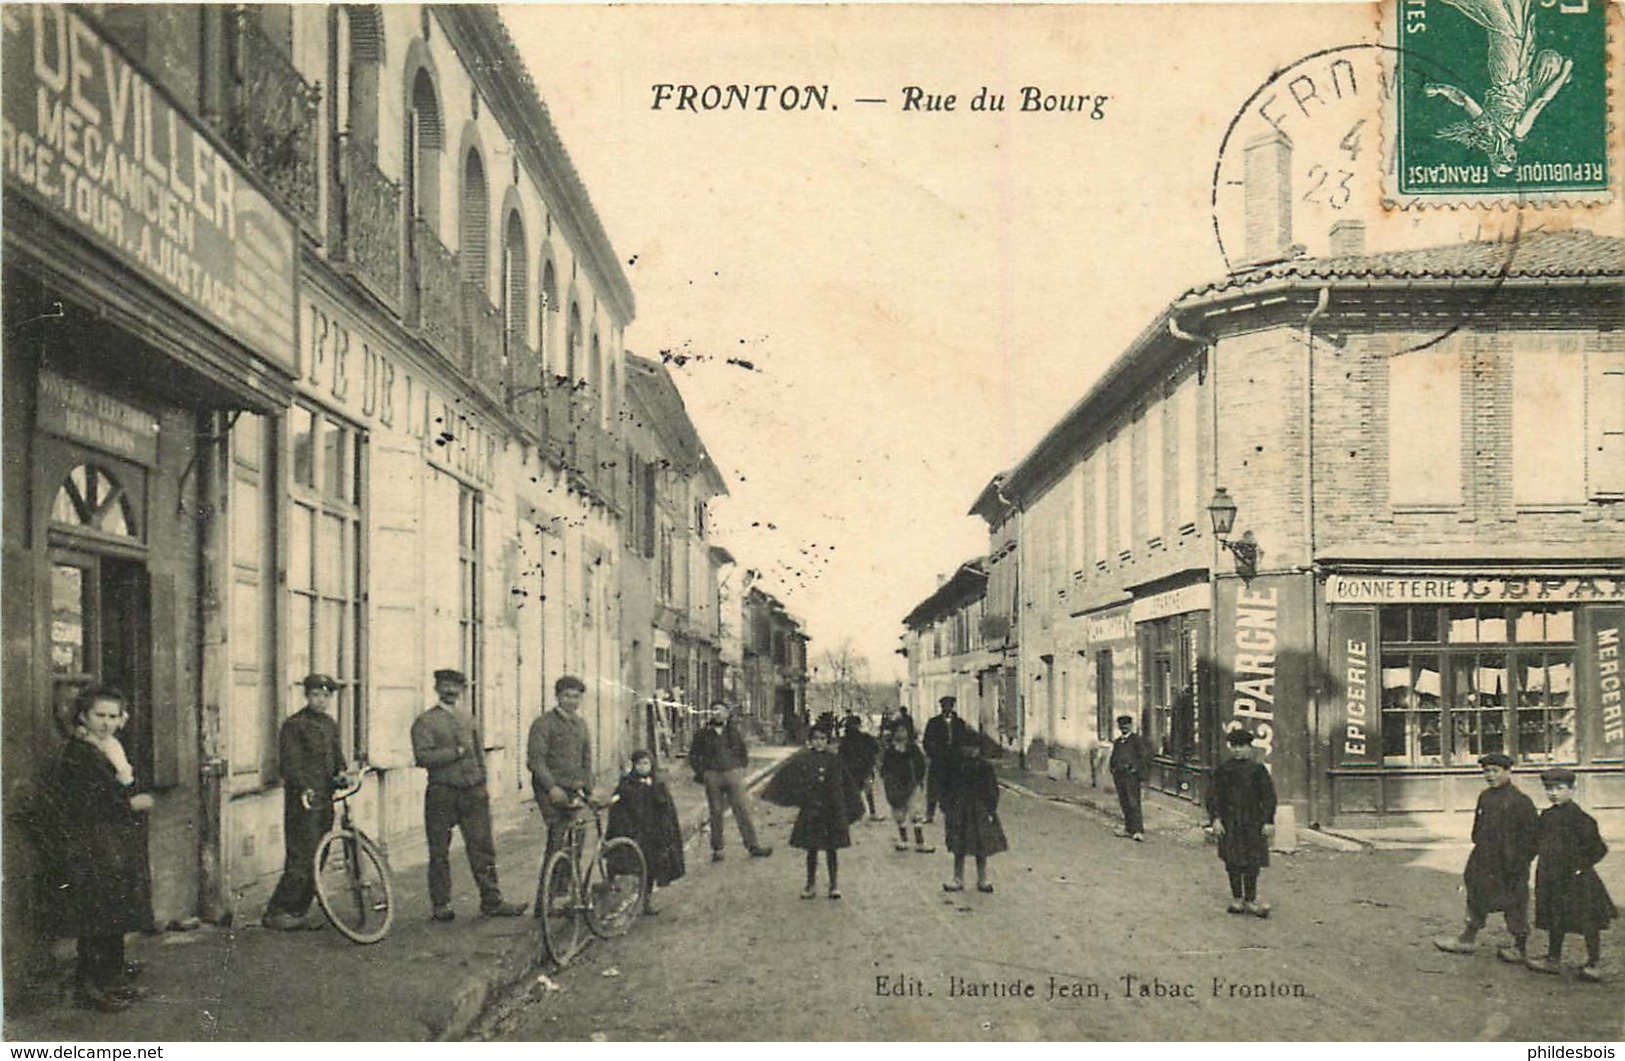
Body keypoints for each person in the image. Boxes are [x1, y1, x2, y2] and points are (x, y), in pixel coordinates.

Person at [40, 687, 154, 1012]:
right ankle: (90, 987)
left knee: (113, 912)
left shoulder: (111, 748)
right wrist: (131, 804)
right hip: (90, 843)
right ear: (84, 717)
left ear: (122, 719)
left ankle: (113, 979)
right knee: (96, 915)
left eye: (113, 716)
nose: (106, 723)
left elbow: (125, 782)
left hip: (112, 843)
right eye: (99, 716)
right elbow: (90, 801)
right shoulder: (79, 753)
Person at [411, 669, 527, 922]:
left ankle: (492, 901)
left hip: (472, 792)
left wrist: (482, 785)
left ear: (462, 690)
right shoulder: (425, 721)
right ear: (437, 688)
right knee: (439, 850)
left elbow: (478, 754)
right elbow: (423, 757)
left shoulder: (468, 718)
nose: (451, 691)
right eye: (446, 686)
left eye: (456, 687)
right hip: (442, 792)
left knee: (482, 848)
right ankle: (441, 904)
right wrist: (455, 752)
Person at [1432, 752, 1538, 960]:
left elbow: (1533, 837)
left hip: (1511, 863)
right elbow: (1478, 829)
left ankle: (1520, 946)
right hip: (1485, 858)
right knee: (1477, 895)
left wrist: (1520, 861)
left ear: (1508, 771)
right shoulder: (1485, 796)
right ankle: (1467, 939)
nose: (1490, 775)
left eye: (1495, 771)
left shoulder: (1520, 801)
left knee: (1515, 903)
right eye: (1486, 771)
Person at [264, 674, 348, 931]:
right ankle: (278, 911)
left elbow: (337, 758)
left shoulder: (330, 725)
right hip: (302, 800)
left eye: (325, 696)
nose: (321, 701)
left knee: (319, 855)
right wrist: (304, 787)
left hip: (325, 798)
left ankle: (300, 910)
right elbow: (290, 764)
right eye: (315, 695)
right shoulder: (294, 725)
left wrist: (341, 774)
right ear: (307, 696)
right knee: (301, 856)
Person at [1526, 768, 1613, 982]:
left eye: (1559, 788)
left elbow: (1599, 849)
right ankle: (1553, 959)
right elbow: (1536, 843)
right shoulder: (1546, 816)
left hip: (1577, 881)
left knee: (1587, 922)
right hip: (1551, 878)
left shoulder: (1582, 819)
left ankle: (1594, 962)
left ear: (1572, 790)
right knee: (1555, 918)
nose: (1553, 793)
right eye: (1549, 789)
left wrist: (1580, 866)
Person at [763, 720, 863, 899]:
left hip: (831, 811)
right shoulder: (802, 759)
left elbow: (846, 785)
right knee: (812, 849)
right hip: (812, 811)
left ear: (828, 741)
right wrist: (795, 796)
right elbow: (788, 778)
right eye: (815, 738)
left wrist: (852, 807)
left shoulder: (835, 760)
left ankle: (834, 885)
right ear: (810, 740)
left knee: (832, 849)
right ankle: (810, 884)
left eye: (823, 738)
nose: (819, 742)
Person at [1204, 727, 1277, 918]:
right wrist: (1216, 819)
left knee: (1252, 860)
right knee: (1232, 860)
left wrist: (1268, 820)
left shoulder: (1258, 770)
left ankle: (1250, 899)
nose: (1237, 750)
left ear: (1249, 748)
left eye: (1241, 746)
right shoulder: (1223, 769)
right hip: (1230, 822)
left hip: (1253, 821)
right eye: (1234, 746)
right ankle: (1236, 898)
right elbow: (1213, 796)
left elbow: (1269, 797)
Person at [688, 701, 773, 862]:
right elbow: (693, 755)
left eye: (721, 711)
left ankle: (753, 846)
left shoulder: (733, 732)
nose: (717, 713)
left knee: (741, 809)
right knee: (716, 812)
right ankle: (718, 849)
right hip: (712, 775)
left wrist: (740, 768)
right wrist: (703, 773)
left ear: (727, 713)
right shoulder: (702, 734)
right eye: (714, 710)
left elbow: (742, 751)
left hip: (732, 774)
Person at [528, 675, 598, 867]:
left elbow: (586, 759)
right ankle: (546, 893)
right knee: (557, 835)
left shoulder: (581, 724)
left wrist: (589, 790)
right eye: (567, 696)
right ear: (558, 697)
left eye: (576, 697)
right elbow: (535, 761)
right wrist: (551, 788)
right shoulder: (544, 723)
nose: (572, 702)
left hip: (572, 788)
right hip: (549, 789)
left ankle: (567, 885)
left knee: (579, 832)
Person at [607, 750, 685, 915]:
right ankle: (621, 895)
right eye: (639, 764)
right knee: (630, 865)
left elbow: (666, 810)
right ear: (634, 766)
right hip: (633, 830)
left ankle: (646, 900)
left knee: (651, 866)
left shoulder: (657, 783)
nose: (643, 767)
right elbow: (616, 806)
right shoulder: (626, 783)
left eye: (646, 764)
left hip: (652, 832)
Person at [942, 731, 1007, 893]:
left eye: (974, 748)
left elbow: (992, 789)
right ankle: (957, 878)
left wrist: (991, 809)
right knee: (959, 844)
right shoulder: (955, 766)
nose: (971, 751)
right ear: (961, 748)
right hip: (959, 808)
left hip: (979, 809)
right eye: (967, 747)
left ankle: (982, 878)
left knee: (981, 844)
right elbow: (947, 788)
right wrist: (947, 806)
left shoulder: (985, 767)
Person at [879, 723, 933, 853]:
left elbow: (921, 764)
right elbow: (884, 768)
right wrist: (889, 781)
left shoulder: (913, 749)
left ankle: (920, 841)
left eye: (903, 730)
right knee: (899, 812)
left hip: (912, 784)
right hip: (896, 786)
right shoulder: (890, 751)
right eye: (897, 731)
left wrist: (919, 779)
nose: (901, 734)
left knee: (916, 811)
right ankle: (903, 840)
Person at [922, 697, 967, 824]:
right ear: (941, 707)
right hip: (938, 761)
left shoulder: (960, 723)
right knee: (933, 788)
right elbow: (926, 741)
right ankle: (929, 814)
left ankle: (954, 813)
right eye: (944, 706)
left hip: (954, 762)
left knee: (954, 787)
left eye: (949, 706)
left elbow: (964, 741)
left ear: (952, 707)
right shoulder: (933, 722)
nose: (947, 708)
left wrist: (961, 757)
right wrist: (932, 754)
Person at [1108, 713, 1149, 842]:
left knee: (1133, 803)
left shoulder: (1137, 740)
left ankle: (1138, 831)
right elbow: (1114, 757)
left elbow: (1143, 757)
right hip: (1120, 776)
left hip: (1131, 777)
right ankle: (1128, 829)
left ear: (1131, 726)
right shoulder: (1118, 742)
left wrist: (1134, 769)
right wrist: (1113, 768)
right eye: (1121, 725)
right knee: (1124, 802)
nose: (1124, 727)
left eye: (1126, 725)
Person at [838, 715, 884, 821]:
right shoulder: (865, 737)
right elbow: (876, 749)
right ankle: (871, 813)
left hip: (851, 769)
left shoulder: (845, 740)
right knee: (867, 791)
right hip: (865, 768)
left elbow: (840, 756)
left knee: (853, 792)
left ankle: (851, 813)